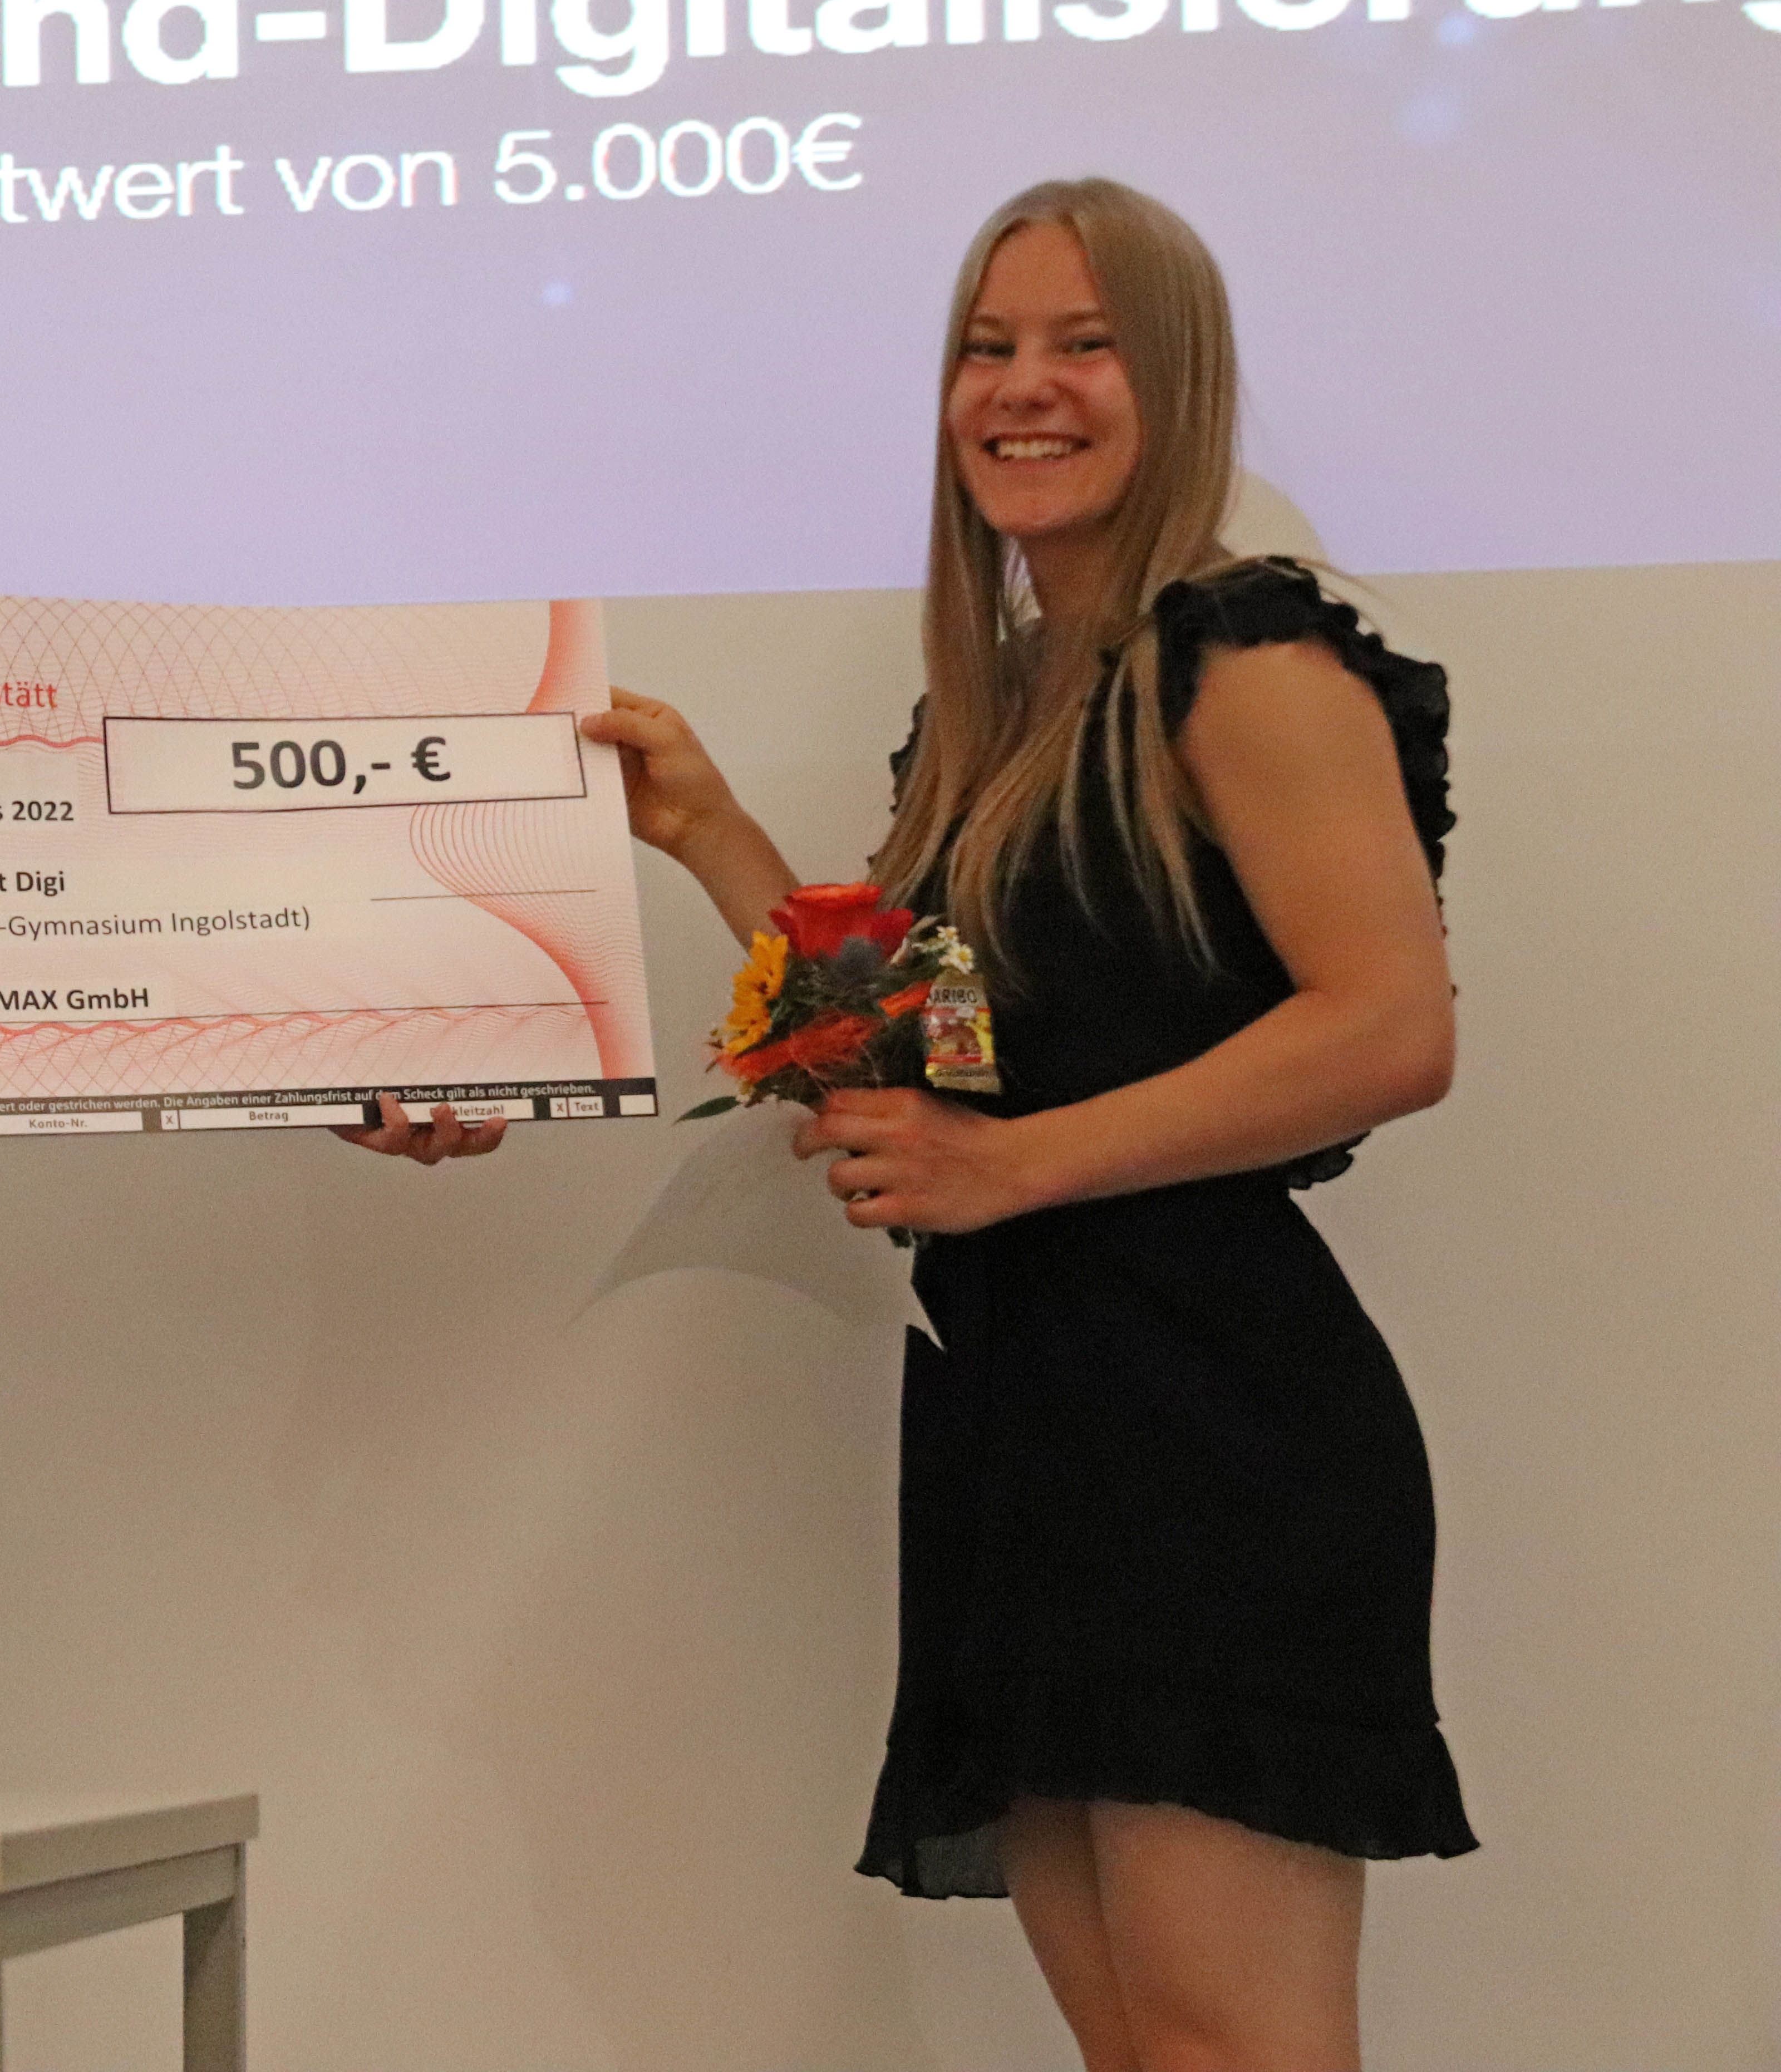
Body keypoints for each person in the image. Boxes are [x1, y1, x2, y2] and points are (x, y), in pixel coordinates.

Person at [587, 179, 1473, 2071]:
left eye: (1087, 344)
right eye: (988, 348)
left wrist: (1008, 1168)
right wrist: (710, 832)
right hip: (1026, 1420)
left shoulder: (1246, 655)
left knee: (1233, 2052)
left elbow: (1393, 1028)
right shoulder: (1009, 705)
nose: (1024, 387)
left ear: (1183, 384)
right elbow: (925, 1052)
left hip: (1209, 1415)